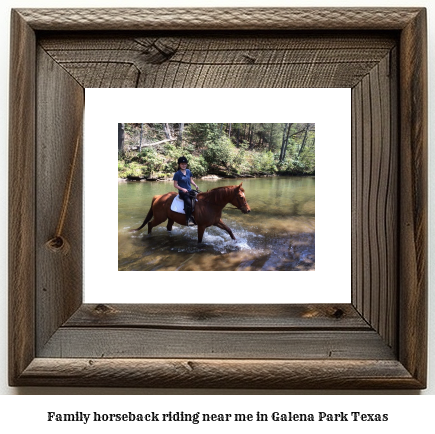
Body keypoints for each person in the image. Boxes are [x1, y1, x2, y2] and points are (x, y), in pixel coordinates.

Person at [173, 156, 199, 226]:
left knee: (199, 197)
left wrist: (195, 185)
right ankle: (188, 219)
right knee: (188, 202)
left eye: (185, 164)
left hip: (190, 190)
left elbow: (191, 180)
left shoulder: (188, 171)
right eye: (182, 164)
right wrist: (182, 189)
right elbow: (175, 185)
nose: (184, 165)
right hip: (182, 192)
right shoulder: (177, 174)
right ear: (179, 165)